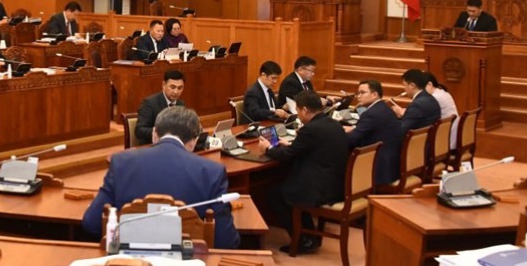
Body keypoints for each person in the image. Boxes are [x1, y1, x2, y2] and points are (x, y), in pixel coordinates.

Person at [82, 107, 240, 249]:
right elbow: (225, 241)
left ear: (154, 133)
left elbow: (92, 223)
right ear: (194, 141)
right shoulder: (212, 172)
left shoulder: (121, 163)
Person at [259, 90, 349, 254]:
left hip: (321, 189)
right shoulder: (333, 124)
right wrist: (291, 145)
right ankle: (308, 234)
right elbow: (310, 148)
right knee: (286, 186)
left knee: (274, 194)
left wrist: (268, 148)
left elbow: (288, 156)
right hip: (336, 184)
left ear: (305, 110)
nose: (298, 115)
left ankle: (302, 239)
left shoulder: (310, 129)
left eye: (298, 111)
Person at [345, 79, 403, 186]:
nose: (358, 96)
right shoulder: (383, 108)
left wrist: (335, 137)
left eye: (362, 93)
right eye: (358, 93)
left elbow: (352, 139)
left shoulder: (371, 114)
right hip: (392, 163)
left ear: (375, 94)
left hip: (379, 166)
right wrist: (355, 129)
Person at [134, 70, 186, 144]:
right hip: (153, 146)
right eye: (172, 87)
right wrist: (164, 133)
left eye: (180, 88)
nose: (176, 92)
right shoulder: (150, 103)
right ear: (164, 84)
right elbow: (139, 130)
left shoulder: (181, 104)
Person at [426, 72, 459, 148]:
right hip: (452, 137)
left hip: (445, 142)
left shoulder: (435, 98)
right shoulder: (443, 93)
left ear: (429, 84)